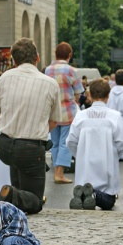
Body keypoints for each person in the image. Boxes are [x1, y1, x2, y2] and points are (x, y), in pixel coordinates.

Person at [0, 37, 61, 215]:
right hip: (30, 147)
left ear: (13, 60)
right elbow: (54, 120)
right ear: (37, 57)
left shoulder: (5, 78)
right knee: (35, 201)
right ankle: (5, 197)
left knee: (17, 166)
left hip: (4, 144)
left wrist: (7, 129)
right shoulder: (50, 83)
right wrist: (38, 132)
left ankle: (13, 198)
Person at [66, 78, 123, 210]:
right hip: (106, 171)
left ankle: (83, 195)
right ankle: (95, 195)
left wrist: (80, 155)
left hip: (85, 171)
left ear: (89, 95)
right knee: (109, 201)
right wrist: (114, 154)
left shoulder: (81, 116)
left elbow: (70, 141)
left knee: (84, 187)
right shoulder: (114, 116)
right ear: (108, 95)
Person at [44, 42, 83, 184]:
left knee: (54, 143)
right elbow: (79, 92)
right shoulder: (71, 70)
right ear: (69, 55)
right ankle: (59, 174)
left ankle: (56, 171)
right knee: (65, 143)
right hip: (67, 112)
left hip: (51, 112)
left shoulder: (48, 70)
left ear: (56, 54)